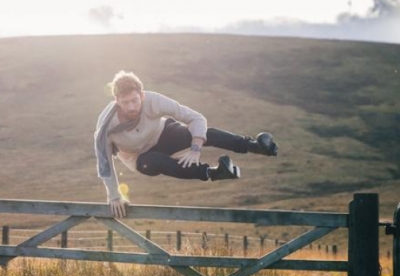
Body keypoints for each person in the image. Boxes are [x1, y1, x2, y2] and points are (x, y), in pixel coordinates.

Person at [95, 70, 278, 218]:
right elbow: (105, 163)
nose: (131, 107)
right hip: (141, 158)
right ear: (116, 101)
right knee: (156, 160)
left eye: (135, 100)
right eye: (125, 103)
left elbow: (196, 118)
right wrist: (114, 196)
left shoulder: (153, 100)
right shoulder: (106, 126)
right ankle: (213, 173)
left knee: (199, 132)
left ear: (142, 95)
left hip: (164, 134)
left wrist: (195, 147)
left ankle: (254, 146)